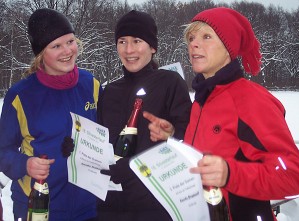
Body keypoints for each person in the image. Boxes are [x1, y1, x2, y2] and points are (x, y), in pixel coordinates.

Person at [143, 7, 299, 221]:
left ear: (229, 48)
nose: (194, 44)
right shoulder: (203, 98)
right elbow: (212, 150)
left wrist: (231, 174)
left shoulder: (251, 99)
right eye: (191, 38)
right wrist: (174, 136)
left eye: (206, 36)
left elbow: (293, 174)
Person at [0, 8, 101, 220]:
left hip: (88, 206)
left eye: (70, 41)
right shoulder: (21, 95)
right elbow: (3, 151)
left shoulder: (90, 84)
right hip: (39, 206)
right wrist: (25, 164)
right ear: (41, 54)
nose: (67, 51)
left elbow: (107, 136)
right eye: (56, 46)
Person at [96, 10, 192, 221]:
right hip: (110, 206)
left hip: (154, 204)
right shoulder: (110, 91)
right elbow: (101, 141)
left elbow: (188, 140)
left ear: (152, 47)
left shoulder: (170, 83)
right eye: (122, 41)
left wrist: (173, 133)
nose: (128, 50)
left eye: (137, 41)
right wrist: (77, 149)